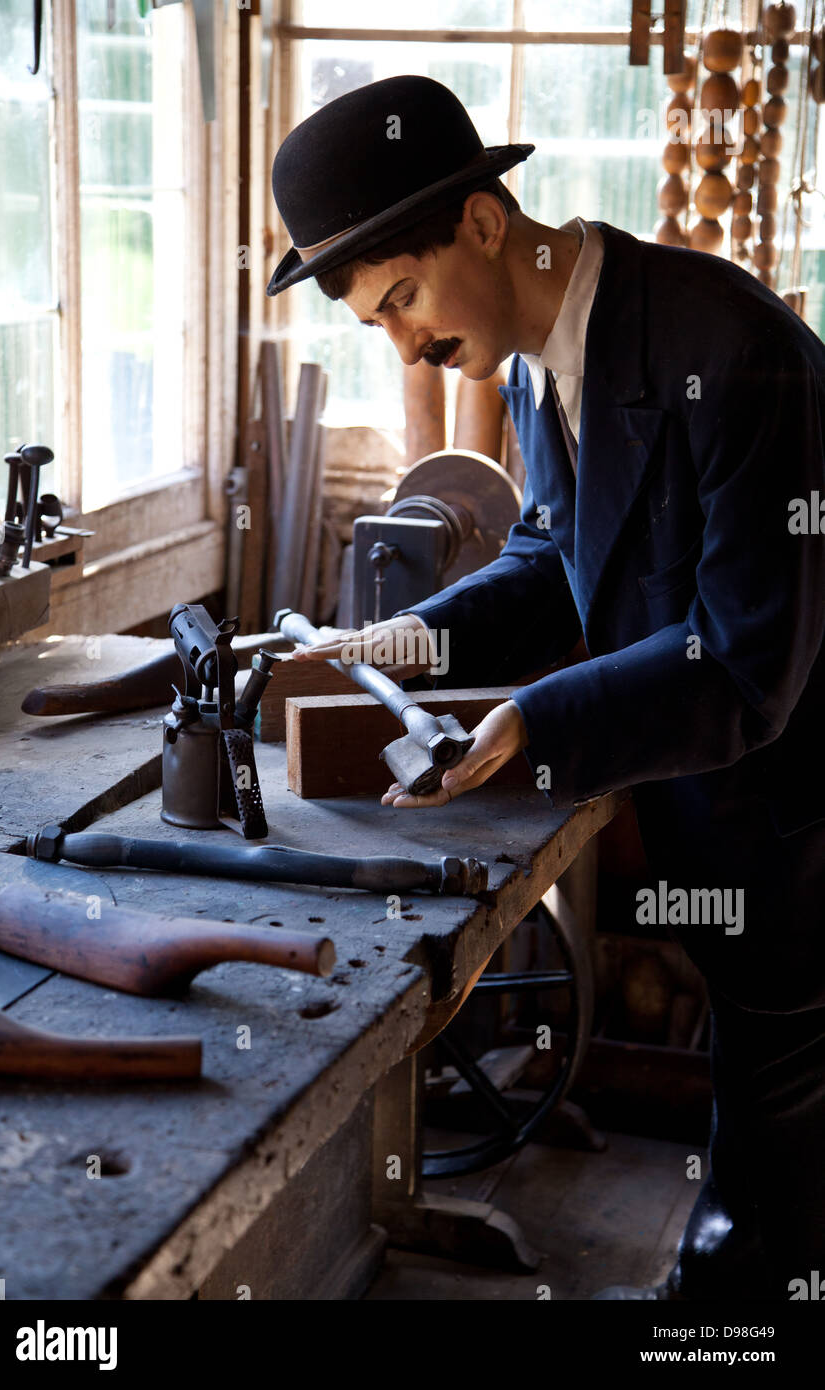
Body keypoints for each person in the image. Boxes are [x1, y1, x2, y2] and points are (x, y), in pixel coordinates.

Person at [266, 74, 825, 1301]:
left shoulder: (727, 347)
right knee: (759, 1125)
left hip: (799, 818)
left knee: (783, 1144)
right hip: (720, 811)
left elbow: (744, 659)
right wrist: (411, 640)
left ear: (480, 222)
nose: (407, 344)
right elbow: (552, 555)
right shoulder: (534, 361)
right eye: (376, 323)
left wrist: (542, 717)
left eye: (403, 298)